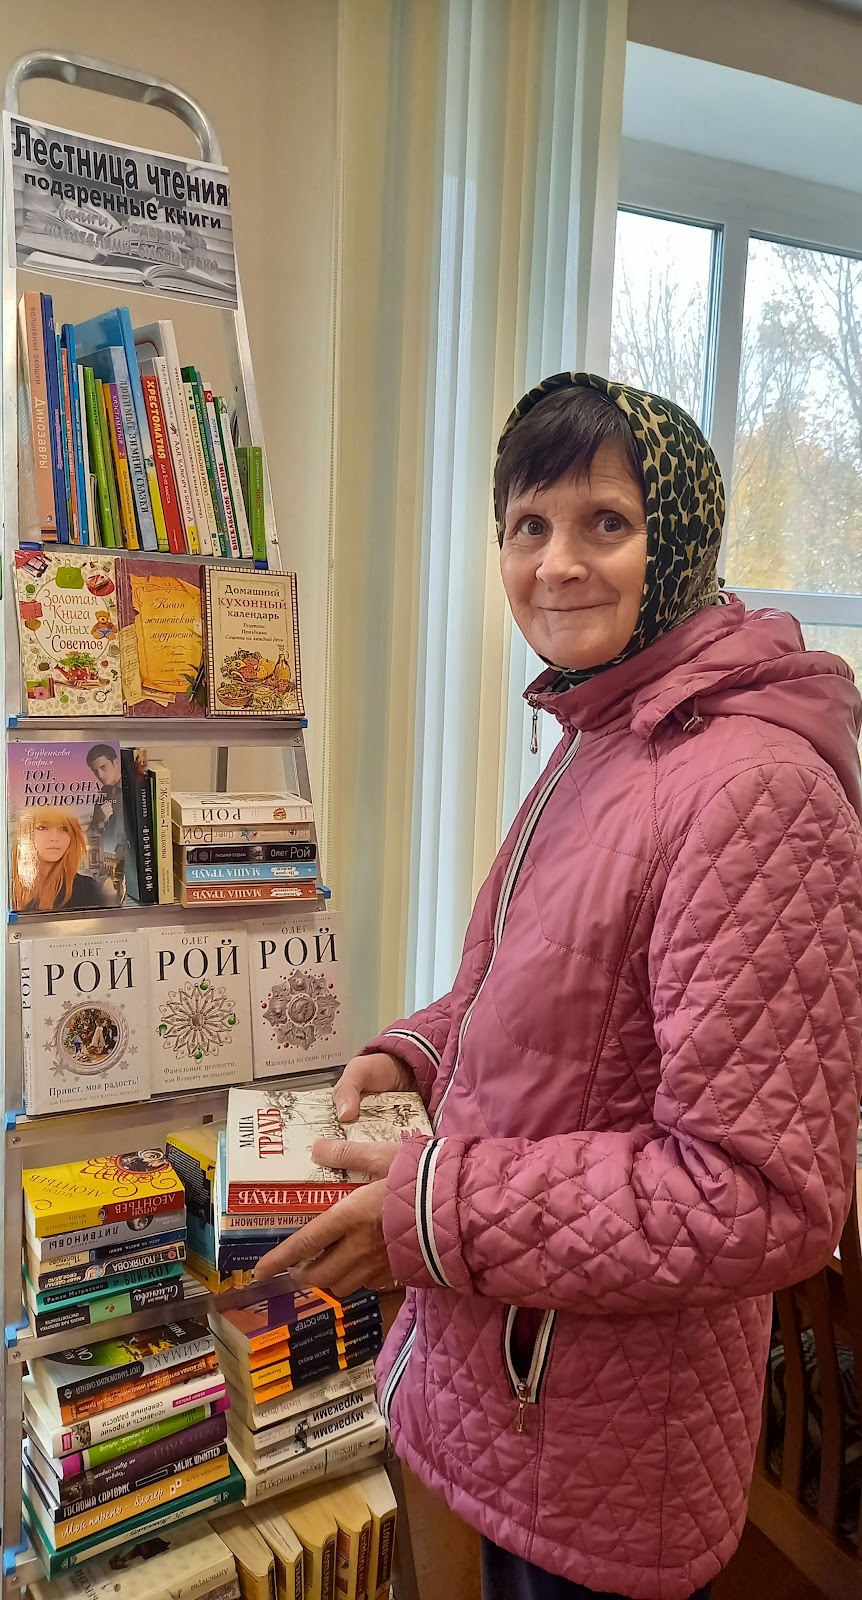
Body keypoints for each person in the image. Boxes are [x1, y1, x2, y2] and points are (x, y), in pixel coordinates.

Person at [255, 375, 862, 1600]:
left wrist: (435, 1212)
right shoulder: (605, 730)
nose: (556, 563)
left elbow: (756, 1194)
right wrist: (417, 1050)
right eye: (526, 524)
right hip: (520, 1390)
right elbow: (558, 993)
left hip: (604, 1432)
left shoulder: (753, 787)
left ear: (676, 541)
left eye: (605, 522)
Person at [11, 806, 107, 911]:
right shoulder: (8, 885)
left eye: (63, 829)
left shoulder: (90, 890)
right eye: (42, 827)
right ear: (25, 833)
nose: (54, 838)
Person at [87, 744, 124, 856]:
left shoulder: (133, 790)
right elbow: (91, 836)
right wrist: (102, 822)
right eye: (95, 770)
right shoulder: (102, 795)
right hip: (107, 856)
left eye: (103, 767)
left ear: (115, 763)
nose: (100, 775)